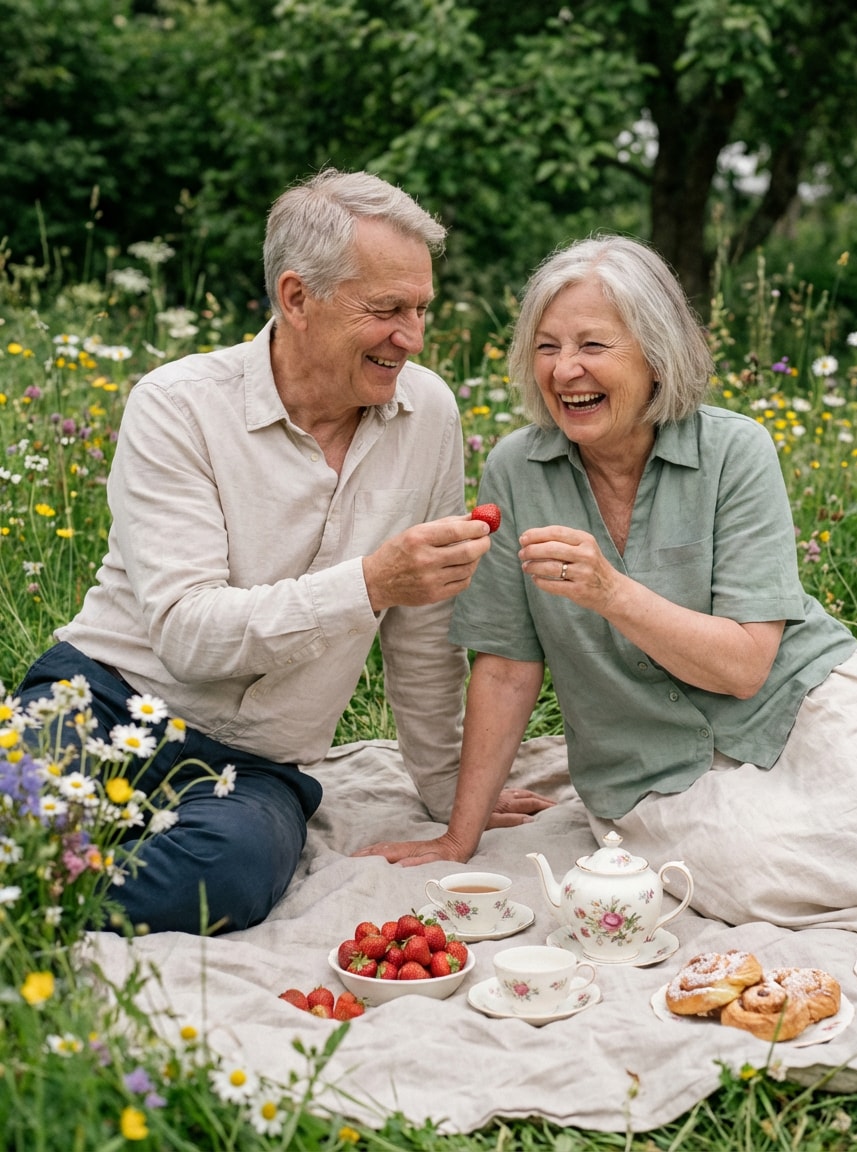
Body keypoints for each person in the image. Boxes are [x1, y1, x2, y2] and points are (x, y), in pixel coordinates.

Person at [14, 168, 536, 936]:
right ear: (296, 298)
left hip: (256, 762)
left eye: (421, 308)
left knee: (227, 875)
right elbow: (188, 635)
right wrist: (368, 582)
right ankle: (39, 879)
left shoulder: (428, 412)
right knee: (11, 809)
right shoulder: (177, 404)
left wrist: (446, 788)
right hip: (106, 694)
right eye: (387, 310)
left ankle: (36, 887)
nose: (413, 338)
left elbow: (423, 631)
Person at [360, 234, 857, 938]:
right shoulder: (515, 471)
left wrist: (610, 591)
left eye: (593, 346)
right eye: (547, 347)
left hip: (799, 698)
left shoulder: (735, 450)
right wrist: (459, 837)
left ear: (657, 356)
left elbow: (749, 666)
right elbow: (506, 668)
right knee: (750, 877)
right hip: (646, 761)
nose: (566, 370)